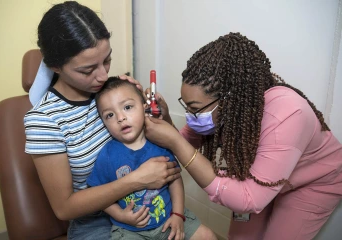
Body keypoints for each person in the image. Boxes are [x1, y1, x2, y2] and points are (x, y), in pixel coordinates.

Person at [144, 32, 342, 240]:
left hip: (311, 182)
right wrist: (165, 120)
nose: (190, 116)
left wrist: (175, 141)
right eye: (187, 106)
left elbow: (250, 199)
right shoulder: (220, 109)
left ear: (229, 99)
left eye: (194, 109)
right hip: (258, 178)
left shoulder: (288, 114)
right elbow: (183, 145)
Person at [23, 2, 182, 239]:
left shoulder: (113, 92)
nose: (103, 76)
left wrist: (163, 115)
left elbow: (166, 144)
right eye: (87, 70)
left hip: (150, 200)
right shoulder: (44, 120)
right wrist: (136, 180)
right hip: (95, 221)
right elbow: (64, 208)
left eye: (107, 60)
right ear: (56, 67)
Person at [87, 77, 216, 240]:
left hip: (168, 220)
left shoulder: (160, 143)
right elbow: (99, 194)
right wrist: (120, 215)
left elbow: (175, 180)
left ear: (144, 108)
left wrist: (177, 214)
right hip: (130, 230)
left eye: (127, 107)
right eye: (110, 115)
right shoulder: (106, 155)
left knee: (207, 236)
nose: (120, 118)